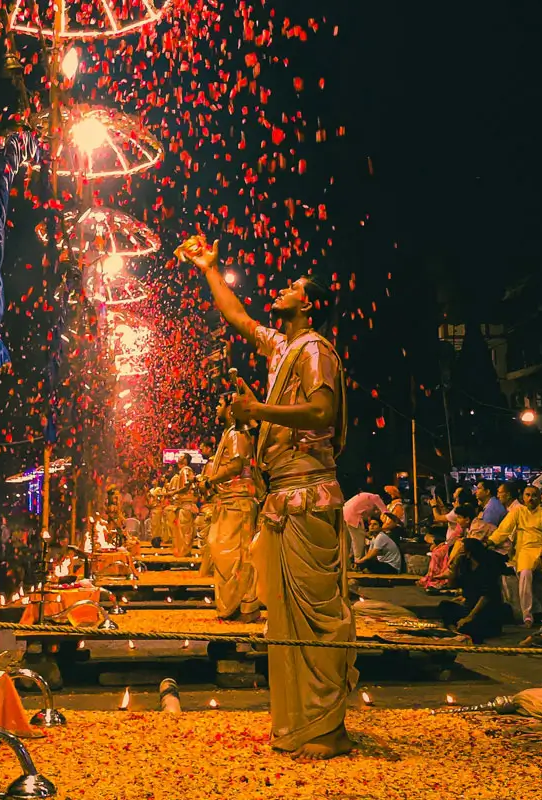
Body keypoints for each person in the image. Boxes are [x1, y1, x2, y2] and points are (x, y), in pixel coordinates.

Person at [180, 233, 356, 760]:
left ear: (308, 303)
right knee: (285, 616)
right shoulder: (282, 348)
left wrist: (257, 413)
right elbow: (237, 317)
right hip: (281, 499)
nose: (279, 289)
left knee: (316, 617)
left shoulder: (316, 350)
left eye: (291, 286)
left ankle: (327, 726)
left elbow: (322, 413)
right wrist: (209, 269)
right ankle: (302, 723)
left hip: (308, 495)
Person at [199, 396, 261, 621]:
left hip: (238, 503)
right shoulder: (229, 434)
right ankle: (236, 607)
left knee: (236, 556)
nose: (215, 407)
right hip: (229, 502)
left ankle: (244, 608)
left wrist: (210, 481)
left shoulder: (236, 434)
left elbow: (235, 466)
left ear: (231, 410)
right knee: (224, 552)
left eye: (220, 404)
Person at [488, 485, 542, 626]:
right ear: (523, 497)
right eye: (528, 495)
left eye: (534, 495)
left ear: (539, 497)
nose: (531, 498)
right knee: (525, 573)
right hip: (524, 550)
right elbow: (503, 530)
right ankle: (527, 614)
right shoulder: (518, 512)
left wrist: (541, 557)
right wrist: (490, 541)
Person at [439, 538, 504, 643]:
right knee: (444, 606)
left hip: (483, 609)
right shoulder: (465, 563)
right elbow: (452, 585)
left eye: (462, 547)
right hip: (469, 606)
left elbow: (486, 595)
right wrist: (455, 566)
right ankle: (455, 632)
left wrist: (469, 617)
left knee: (471, 626)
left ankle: (459, 631)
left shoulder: (487, 567)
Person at [164, 454, 198, 557]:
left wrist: (173, 493)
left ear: (185, 460)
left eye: (181, 456)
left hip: (186, 504)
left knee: (185, 530)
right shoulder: (184, 471)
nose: (178, 457)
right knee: (183, 530)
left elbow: (186, 486)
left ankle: (184, 553)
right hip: (184, 505)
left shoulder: (185, 470)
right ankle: (183, 551)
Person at [343, 491, 387, 561]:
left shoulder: (366, 499)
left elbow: (366, 515)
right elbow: (385, 511)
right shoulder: (376, 497)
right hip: (352, 516)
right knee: (358, 542)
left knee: (346, 542)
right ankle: (359, 562)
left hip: (344, 515)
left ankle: (346, 563)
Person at [196, 438, 217, 577]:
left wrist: (200, 483)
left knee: (208, 539)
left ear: (209, 448)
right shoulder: (213, 462)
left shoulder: (211, 463)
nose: (200, 451)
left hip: (212, 505)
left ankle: (210, 570)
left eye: (202, 448)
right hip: (212, 504)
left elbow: (208, 484)